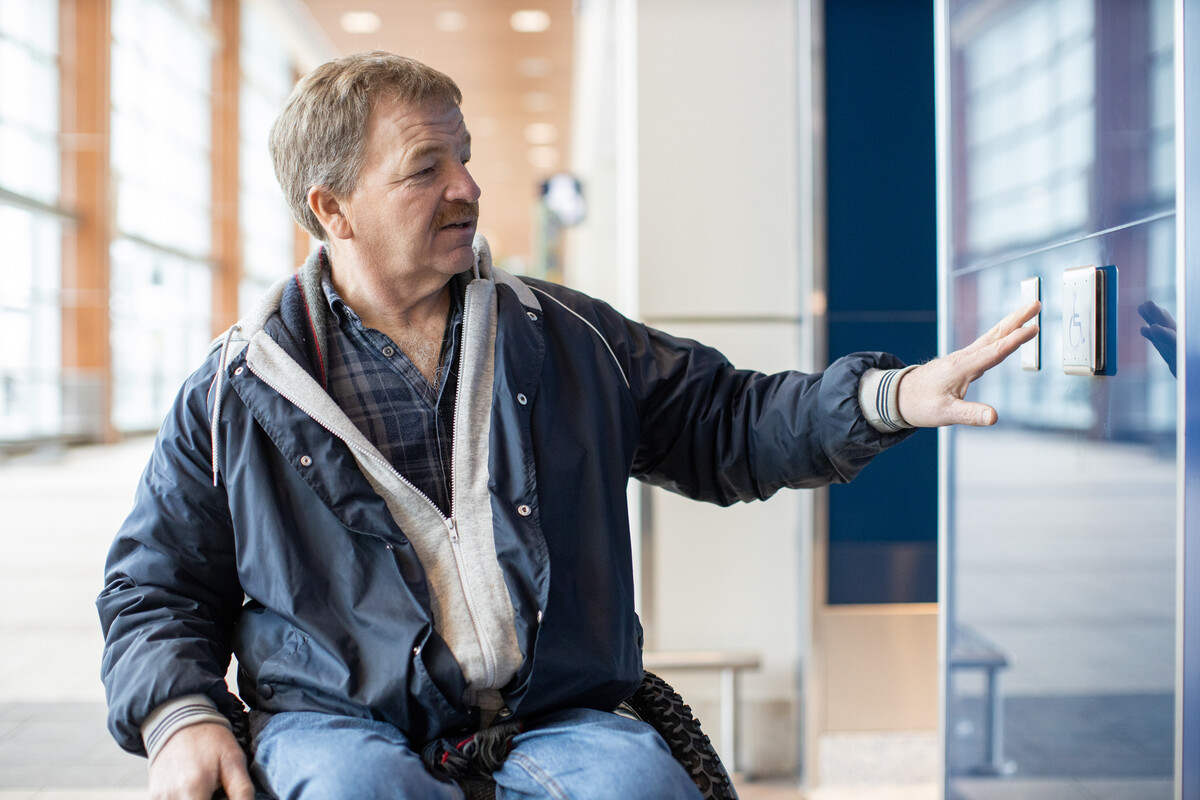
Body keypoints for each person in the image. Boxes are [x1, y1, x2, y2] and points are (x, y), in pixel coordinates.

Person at [97, 51, 1039, 800]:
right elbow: (154, 589)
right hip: (337, 722)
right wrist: (183, 716)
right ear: (331, 208)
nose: (467, 186)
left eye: (465, 157)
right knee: (353, 789)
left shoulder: (564, 337)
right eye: (426, 169)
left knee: (637, 783)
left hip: (554, 710)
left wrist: (885, 399)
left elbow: (725, 419)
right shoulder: (232, 394)